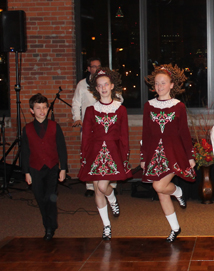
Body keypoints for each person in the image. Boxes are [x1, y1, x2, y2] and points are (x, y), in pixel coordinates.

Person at [141, 64, 196, 243]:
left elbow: (184, 133)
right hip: (154, 155)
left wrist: (190, 155)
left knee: (158, 186)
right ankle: (175, 228)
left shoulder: (178, 106)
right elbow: (146, 134)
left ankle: (178, 191)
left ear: (172, 85)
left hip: (174, 153)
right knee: (161, 193)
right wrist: (143, 157)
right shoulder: (149, 106)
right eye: (157, 83)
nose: (159, 87)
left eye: (163, 83)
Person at [77, 68, 132, 240]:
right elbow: (86, 135)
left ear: (112, 86)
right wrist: (84, 156)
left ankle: (112, 197)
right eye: (100, 86)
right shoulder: (91, 110)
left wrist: (124, 155)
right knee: (97, 190)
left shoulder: (120, 109)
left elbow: (124, 134)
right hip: (94, 153)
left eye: (106, 84)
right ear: (96, 89)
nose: (103, 88)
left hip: (113, 152)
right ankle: (106, 226)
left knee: (103, 187)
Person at [21, 93, 68, 241]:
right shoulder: (27, 129)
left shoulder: (55, 127)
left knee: (50, 197)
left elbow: (62, 148)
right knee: (40, 198)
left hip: (52, 168)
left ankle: (50, 227)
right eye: (38, 108)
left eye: (44, 108)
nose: (42, 111)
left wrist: (63, 168)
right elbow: (25, 152)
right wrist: (26, 172)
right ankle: (47, 223)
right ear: (31, 110)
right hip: (35, 168)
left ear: (48, 109)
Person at [72, 57, 118, 197]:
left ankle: (111, 184)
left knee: (109, 154)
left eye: (99, 66)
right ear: (88, 69)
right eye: (93, 66)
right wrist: (77, 118)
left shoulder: (107, 83)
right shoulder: (81, 84)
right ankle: (91, 186)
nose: (96, 69)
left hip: (106, 126)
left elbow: (118, 98)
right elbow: (76, 103)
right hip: (88, 127)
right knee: (90, 155)